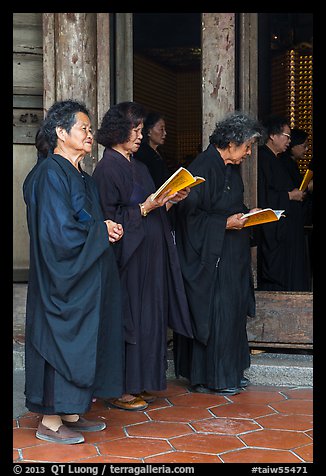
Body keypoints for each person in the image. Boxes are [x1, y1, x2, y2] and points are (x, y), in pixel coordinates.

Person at [23, 99, 125, 445]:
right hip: (60, 281)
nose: (89, 134)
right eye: (83, 128)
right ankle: (49, 422)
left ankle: (69, 411)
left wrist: (106, 228)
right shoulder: (49, 174)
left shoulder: (80, 176)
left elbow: (84, 222)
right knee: (58, 342)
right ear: (60, 132)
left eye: (89, 128)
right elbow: (58, 234)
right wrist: (99, 231)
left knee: (81, 343)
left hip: (84, 278)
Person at [93, 101, 193, 411]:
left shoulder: (141, 166)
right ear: (117, 131)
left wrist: (171, 200)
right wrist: (145, 208)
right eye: (135, 130)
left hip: (151, 256)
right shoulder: (107, 167)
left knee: (151, 320)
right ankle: (122, 388)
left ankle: (142, 382)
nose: (139, 136)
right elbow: (107, 218)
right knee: (130, 320)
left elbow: (153, 206)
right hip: (129, 259)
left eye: (139, 130)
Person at [173, 111, 264, 396]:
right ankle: (212, 377)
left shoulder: (230, 167)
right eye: (247, 146)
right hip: (212, 257)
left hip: (232, 254)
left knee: (233, 313)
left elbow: (228, 203)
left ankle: (230, 371)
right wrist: (225, 223)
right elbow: (188, 216)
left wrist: (248, 214)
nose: (249, 153)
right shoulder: (203, 167)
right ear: (232, 142)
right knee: (218, 313)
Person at [257, 116, 310, 291]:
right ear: (273, 135)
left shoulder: (277, 160)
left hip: (287, 231)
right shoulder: (263, 158)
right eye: (286, 136)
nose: (289, 141)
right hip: (275, 234)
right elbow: (263, 196)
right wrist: (289, 196)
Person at [134, 111, 171, 189]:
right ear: (149, 131)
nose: (165, 133)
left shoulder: (160, 153)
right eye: (161, 129)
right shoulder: (142, 154)